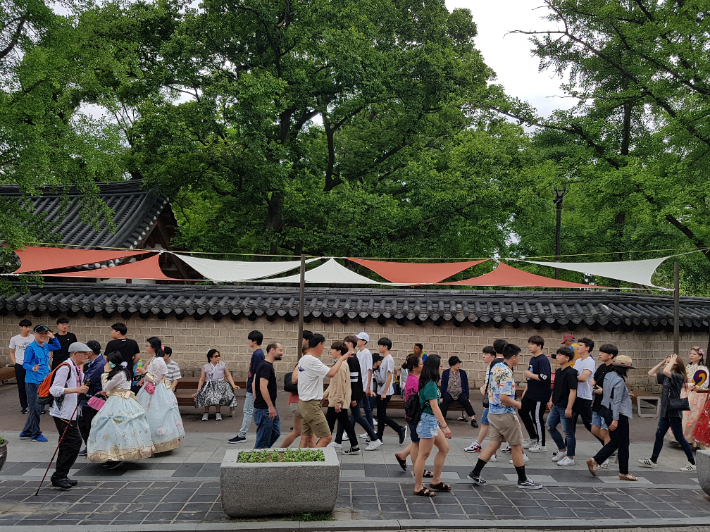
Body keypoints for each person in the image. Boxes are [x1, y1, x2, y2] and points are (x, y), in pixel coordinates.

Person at [467, 344, 542, 490]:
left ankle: (475, 473)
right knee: (516, 445)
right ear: (513, 357)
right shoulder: (506, 373)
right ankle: (523, 479)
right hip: (505, 414)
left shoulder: (496, 367)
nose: (519, 359)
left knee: (493, 443)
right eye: (519, 356)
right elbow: (504, 397)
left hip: (493, 412)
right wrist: (518, 404)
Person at [87, 351, 155, 469]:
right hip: (123, 400)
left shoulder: (119, 373)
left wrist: (105, 373)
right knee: (114, 426)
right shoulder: (124, 372)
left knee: (116, 426)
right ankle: (114, 455)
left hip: (118, 402)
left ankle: (118, 455)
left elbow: (106, 387)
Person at [638, 354, 696, 471]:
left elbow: (666, 371)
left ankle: (692, 463)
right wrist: (661, 362)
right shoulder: (666, 376)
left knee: (679, 437)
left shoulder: (678, 377)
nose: (666, 360)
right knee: (659, 435)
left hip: (673, 411)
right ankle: (653, 460)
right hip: (665, 411)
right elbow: (650, 373)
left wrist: (673, 360)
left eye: (669, 359)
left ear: (674, 363)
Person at [292, 333, 348, 448]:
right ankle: (312, 462)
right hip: (311, 405)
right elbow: (331, 373)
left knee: (306, 437)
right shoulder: (312, 361)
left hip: (303, 403)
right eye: (324, 345)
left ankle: (300, 463)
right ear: (319, 344)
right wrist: (342, 358)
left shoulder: (303, 359)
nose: (324, 349)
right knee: (327, 437)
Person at [586, 355, 637, 481]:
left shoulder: (609, 376)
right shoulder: (619, 381)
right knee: (622, 442)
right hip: (618, 414)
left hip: (607, 410)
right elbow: (617, 401)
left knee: (617, 441)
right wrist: (615, 420)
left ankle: (596, 460)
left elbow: (610, 395)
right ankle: (622, 472)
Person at [48, 342, 91, 489]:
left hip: (71, 411)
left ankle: (61, 475)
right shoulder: (65, 367)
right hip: (62, 412)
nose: (86, 356)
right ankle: (59, 475)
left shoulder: (76, 368)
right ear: (75, 354)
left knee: (66, 443)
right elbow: (55, 390)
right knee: (74, 443)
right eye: (84, 353)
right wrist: (76, 389)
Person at [136, 337, 185, 453]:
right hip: (150, 390)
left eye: (147, 345)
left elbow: (156, 380)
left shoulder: (158, 360)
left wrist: (144, 372)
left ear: (153, 347)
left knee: (158, 415)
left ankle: (160, 441)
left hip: (157, 391)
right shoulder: (154, 358)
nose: (146, 348)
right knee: (149, 414)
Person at [413, 354, 452, 497]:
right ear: (435, 368)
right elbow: (434, 407)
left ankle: (436, 480)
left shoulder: (430, 382)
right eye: (441, 366)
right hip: (428, 421)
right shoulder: (430, 383)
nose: (442, 368)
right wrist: (445, 426)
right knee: (423, 455)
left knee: (444, 448)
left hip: (431, 421)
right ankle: (418, 487)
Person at [333, 335, 380, 449]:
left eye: (344, 343)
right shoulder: (352, 357)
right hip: (351, 393)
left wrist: (353, 398)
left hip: (354, 393)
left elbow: (354, 380)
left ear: (349, 344)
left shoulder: (352, 359)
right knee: (343, 416)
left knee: (357, 417)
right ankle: (338, 441)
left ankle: (374, 438)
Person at [20, 325, 61, 443]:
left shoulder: (46, 346)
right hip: (33, 382)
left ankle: (27, 431)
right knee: (36, 408)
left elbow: (58, 346)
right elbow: (25, 364)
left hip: (44, 380)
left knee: (39, 406)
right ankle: (35, 434)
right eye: (41, 333)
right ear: (35, 334)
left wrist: (52, 337)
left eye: (45, 333)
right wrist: (32, 368)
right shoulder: (31, 348)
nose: (43, 335)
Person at [395, 354, 434, 477]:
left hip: (414, 415)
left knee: (416, 441)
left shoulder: (415, 378)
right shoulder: (414, 381)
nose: (423, 366)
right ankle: (419, 470)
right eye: (421, 364)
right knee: (416, 442)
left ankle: (402, 455)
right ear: (415, 367)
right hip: (415, 415)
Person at [323, 342, 361, 454]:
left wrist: (338, 403)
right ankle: (355, 446)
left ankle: (322, 445)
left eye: (332, 349)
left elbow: (340, 386)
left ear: (339, 351)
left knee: (329, 423)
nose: (330, 351)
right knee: (345, 423)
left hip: (337, 401)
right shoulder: (340, 364)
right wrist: (324, 396)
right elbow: (333, 384)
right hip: (337, 400)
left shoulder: (340, 365)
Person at [464, 346, 499, 461]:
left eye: (486, 354)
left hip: (493, 401)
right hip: (490, 400)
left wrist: (487, 389)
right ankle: (481, 445)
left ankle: (492, 452)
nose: (483, 356)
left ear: (493, 356)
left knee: (494, 426)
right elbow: (488, 383)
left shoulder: (496, 368)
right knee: (489, 424)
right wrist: (484, 387)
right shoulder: (490, 367)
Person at [371, 337, 407, 448]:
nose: (379, 348)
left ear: (385, 347)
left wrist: (384, 392)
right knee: (380, 415)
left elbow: (389, 376)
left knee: (381, 415)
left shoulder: (389, 359)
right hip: (381, 390)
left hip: (385, 391)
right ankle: (379, 436)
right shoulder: (385, 359)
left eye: (380, 345)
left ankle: (399, 429)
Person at [281, 330, 314, 448]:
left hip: (296, 401)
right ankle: (316, 458)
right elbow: (296, 379)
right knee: (308, 435)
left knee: (298, 432)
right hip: (301, 401)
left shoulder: (302, 360)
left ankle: (280, 451)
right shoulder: (305, 361)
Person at [546, 347, 578, 466]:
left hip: (565, 406)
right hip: (556, 405)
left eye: (560, 355)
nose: (557, 357)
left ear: (567, 358)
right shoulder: (559, 371)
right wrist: (551, 400)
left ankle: (570, 456)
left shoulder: (571, 372)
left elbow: (573, 391)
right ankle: (562, 450)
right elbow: (555, 388)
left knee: (568, 432)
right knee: (549, 426)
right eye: (557, 355)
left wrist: (569, 407)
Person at [231, 330, 264, 443]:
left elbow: (258, 373)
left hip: (253, 388)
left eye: (249, 340)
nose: (248, 342)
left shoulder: (258, 355)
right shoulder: (258, 354)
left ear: (254, 341)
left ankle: (242, 434)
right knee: (254, 411)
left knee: (248, 411)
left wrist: (254, 388)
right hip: (253, 387)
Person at [520, 335, 551, 453]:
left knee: (537, 418)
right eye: (529, 344)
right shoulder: (533, 359)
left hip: (540, 394)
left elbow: (545, 377)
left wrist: (530, 375)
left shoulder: (543, 360)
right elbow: (531, 374)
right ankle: (533, 437)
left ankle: (542, 444)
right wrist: (526, 389)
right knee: (522, 411)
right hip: (530, 392)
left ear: (539, 346)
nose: (529, 346)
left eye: (532, 344)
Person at [590, 344, 618, 467]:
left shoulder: (615, 369)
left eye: (603, 352)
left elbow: (617, 389)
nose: (600, 354)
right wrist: (593, 382)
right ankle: (612, 446)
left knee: (605, 431)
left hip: (608, 405)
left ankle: (604, 458)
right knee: (594, 429)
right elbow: (594, 379)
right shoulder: (601, 366)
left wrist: (604, 391)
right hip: (597, 403)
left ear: (611, 355)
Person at [194, 349, 239, 423]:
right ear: (210, 358)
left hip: (220, 384)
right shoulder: (206, 366)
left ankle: (218, 412)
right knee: (207, 395)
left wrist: (233, 385)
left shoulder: (223, 365)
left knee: (219, 395)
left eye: (219, 356)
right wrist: (198, 390)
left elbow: (228, 375)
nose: (218, 358)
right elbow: (202, 379)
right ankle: (206, 412)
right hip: (209, 384)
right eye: (216, 356)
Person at [571, 338, 600, 453]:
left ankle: (608, 445)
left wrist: (569, 378)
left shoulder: (589, 361)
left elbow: (583, 378)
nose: (577, 347)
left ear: (587, 348)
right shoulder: (578, 361)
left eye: (580, 345)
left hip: (584, 398)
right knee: (570, 424)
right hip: (575, 396)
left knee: (590, 425)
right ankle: (567, 449)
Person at [253, 342, 283, 449]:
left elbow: (253, 383)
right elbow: (262, 386)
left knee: (275, 432)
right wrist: (269, 406)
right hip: (265, 409)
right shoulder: (265, 366)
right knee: (263, 441)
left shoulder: (266, 365)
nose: (282, 353)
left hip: (267, 407)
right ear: (272, 350)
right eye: (280, 350)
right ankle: (257, 460)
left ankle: (262, 454)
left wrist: (258, 400)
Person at [78, 340, 105, 457]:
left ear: (90, 352)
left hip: (93, 400)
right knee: (83, 423)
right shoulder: (93, 362)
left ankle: (93, 447)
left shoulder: (99, 364)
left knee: (88, 424)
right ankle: (89, 446)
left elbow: (88, 379)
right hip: (88, 399)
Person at [681, 346, 709, 448]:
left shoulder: (703, 369)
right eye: (691, 354)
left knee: (693, 415)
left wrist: (694, 385)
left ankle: (692, 439)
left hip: (696, 395)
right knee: (683, 415)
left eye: (694, 354)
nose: (691, 356)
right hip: (685, 392)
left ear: (700, 356)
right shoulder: (687, 367)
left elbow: (705, 384)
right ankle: (682, 437)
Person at [441, 356, 478, 427]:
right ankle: (442, 419)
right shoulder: (446, 373)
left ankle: (473, 419)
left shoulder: (462, 373)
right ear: (452, 364)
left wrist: (467, 397)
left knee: (465, 400)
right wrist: (442, 397)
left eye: (459, 363)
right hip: (449, 393)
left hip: (460, 393)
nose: (458, 365)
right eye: (457, 363)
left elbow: (466, 385)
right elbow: (443, 385)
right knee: (445, 399)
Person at [104, 323, 140, 391]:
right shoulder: (133, 343)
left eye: (112, 330)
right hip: (128, 371)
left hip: (114, 372)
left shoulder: (111, 344)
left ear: (118, 332)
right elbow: (137, 357)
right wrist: (130, 364)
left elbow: (106, 358)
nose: (111, 332)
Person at [9, 319, 34, 414]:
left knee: (33, 385)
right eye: (26, 327)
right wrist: (15, 362)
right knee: (21, 386)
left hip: (31, 365)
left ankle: (35, 405)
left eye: (29, 327)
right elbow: (11, 351)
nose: (28, 329)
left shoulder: (33, 337)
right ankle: (24, 406)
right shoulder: (15, 339)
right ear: (21, 328)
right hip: (20, 365)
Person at [356, 332, 376, 435]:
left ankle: (371, 430)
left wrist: (368, 386)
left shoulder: (367, 353)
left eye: (359, 339)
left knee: (360, 407)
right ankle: (371, 430)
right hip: (360, 384)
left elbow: (369, 370)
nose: (357, 340)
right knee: (366, 408)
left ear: (364, 341)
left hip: (364, 385)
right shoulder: (358, 353)